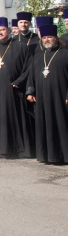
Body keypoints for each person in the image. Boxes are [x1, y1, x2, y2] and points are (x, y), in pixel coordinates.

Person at [0, 17, 34, 159]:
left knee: (16, 119)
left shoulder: (21, 46)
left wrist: (20, 81)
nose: (0, 33)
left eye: (3, 30)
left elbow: (29, 67)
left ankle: (20, 150)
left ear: (8, 30)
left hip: (14, 91)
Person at [25, 23, 68, 163]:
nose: (47, 40)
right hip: (43, 99)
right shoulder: (39, 56)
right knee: (45, 125)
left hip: (61, 97)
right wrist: (30, 92)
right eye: (44, 38)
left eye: (49, 37)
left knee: (62, 124)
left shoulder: (65, 53)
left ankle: (64, 155)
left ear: (56, 38)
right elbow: (31, 75)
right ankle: (48, 156)